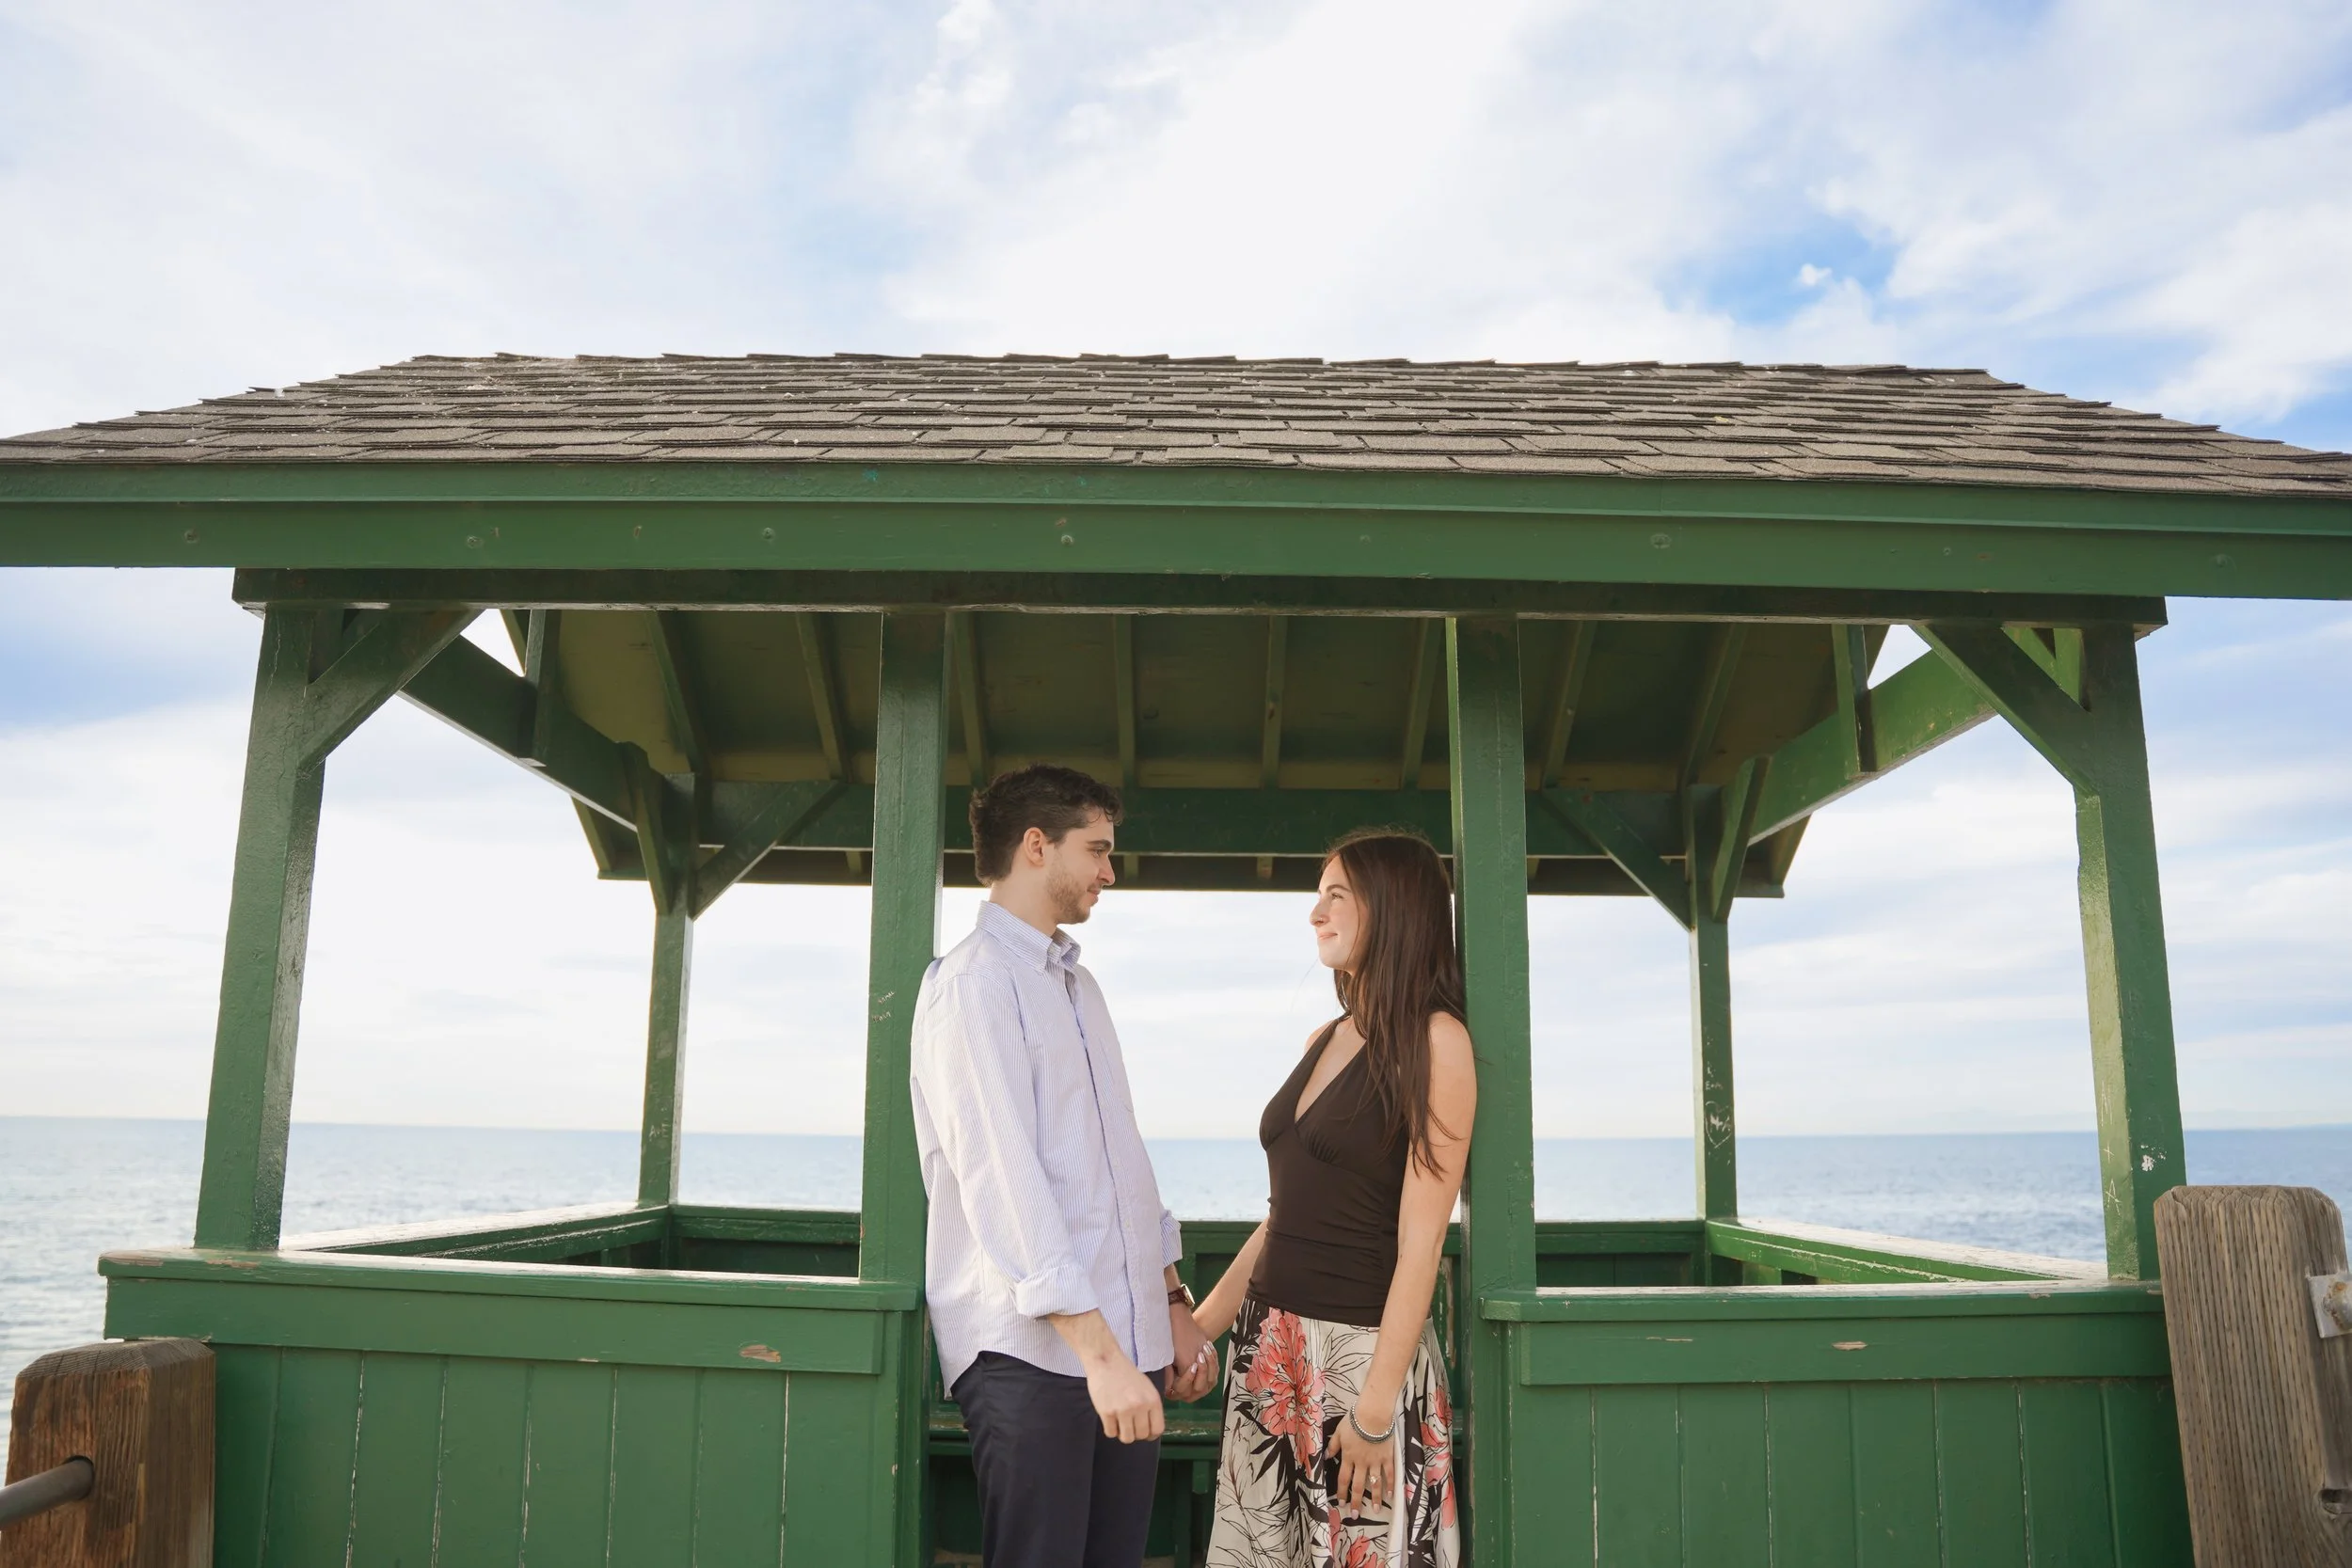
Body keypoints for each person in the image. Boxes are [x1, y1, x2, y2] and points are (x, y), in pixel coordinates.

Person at [909, 763, 1220, 1568]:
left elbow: (1122, 1163)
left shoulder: (1082, 988)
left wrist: (1171, 1300)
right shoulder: (971, 986)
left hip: (1120, 1350)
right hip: (1034, 1358)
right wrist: (1101, 1355)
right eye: (1098, 849)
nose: (1110, 871)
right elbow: (1003, 1184)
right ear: (1036, 846)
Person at [1194, 830, 1475, 1568]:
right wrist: (1201, 1329)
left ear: (1393, 908)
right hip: (1270, 1352)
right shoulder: (1328, 1035)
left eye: (1336, 896)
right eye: (1317, 897)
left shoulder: (1438, 1042)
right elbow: (1283, 1214)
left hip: (1360, 1366)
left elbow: (1422, 1242)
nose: (1315, 913)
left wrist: (1377, 1410)